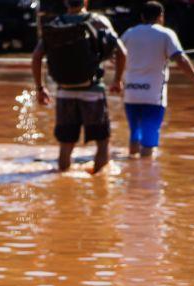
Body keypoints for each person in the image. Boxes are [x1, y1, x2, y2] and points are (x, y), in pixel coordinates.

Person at [32, 0, 126, 174]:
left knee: (66, 143)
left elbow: (37, 56)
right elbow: (122, 51)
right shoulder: (98, 21)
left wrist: (40, 88)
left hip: (64, 91)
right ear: (85, 2)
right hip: (92, 91)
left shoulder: (55, 24)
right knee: (102, 141)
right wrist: (118, 79)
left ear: (66, 3)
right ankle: (100, 187)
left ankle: (63, 179)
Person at [115, 1, 194, 158]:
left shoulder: (129, 33)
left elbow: (117, 54)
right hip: (153, 95)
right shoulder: (166, 34)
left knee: (134, 132)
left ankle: (132, 170)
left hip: (131, 92)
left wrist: (117, 79)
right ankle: (143, 175)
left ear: (142, 17)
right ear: (161, 16)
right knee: (149, 138)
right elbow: (180, 59)